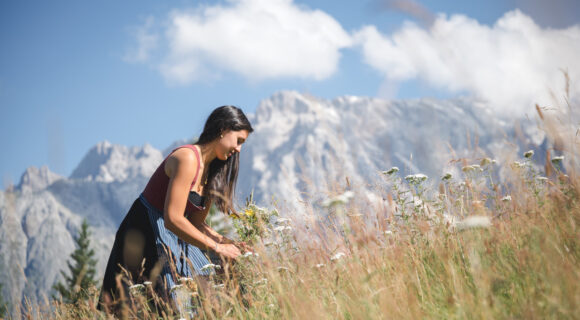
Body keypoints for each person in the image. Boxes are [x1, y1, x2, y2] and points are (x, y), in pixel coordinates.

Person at [98, 105, 253, 315]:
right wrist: (217, 248)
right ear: (223, 130)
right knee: (148, 309)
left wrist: (227, 243)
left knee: (202, 297)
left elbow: (197, 223)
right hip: (143, 235)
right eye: (239, 141)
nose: (239, 149)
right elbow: (172, 218)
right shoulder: (187, 158)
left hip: (171, 237)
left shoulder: (211, 172)